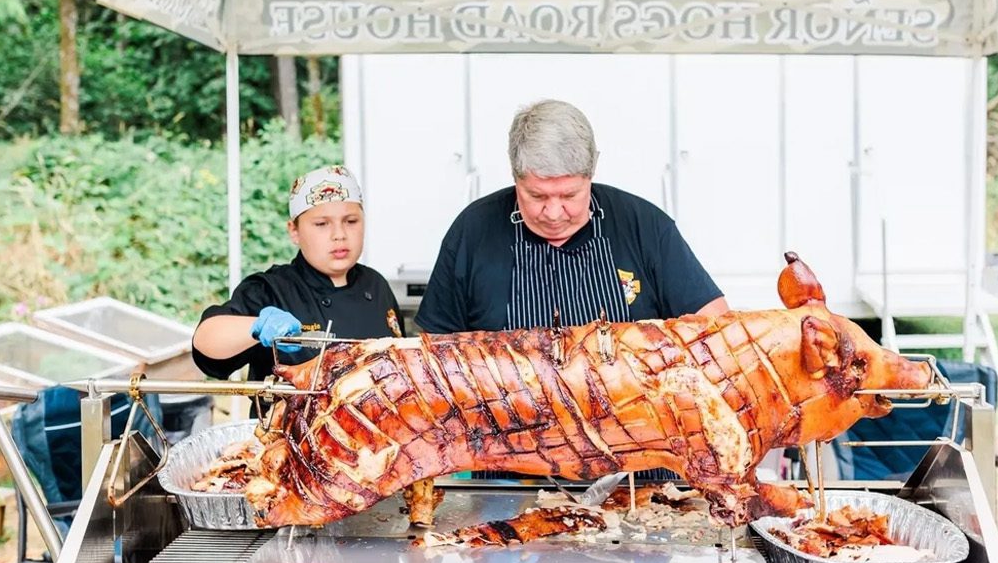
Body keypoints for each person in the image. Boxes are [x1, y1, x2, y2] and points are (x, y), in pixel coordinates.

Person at [415, 99, 729, 335]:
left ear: (591, 173)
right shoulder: (473, 231)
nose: (553, 214)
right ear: (515, 176)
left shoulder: (644, 225)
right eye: (536, 196)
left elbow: (717, 331)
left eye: (569, 196)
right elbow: (431, 354)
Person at [191, 164, 404, 382]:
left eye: (351, 221)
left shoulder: (376, 285)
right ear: (294, 231)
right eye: (322, 224)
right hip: (289, 416)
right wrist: (256, 327)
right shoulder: (271, 289)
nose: (339, 234)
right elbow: (206, 340)